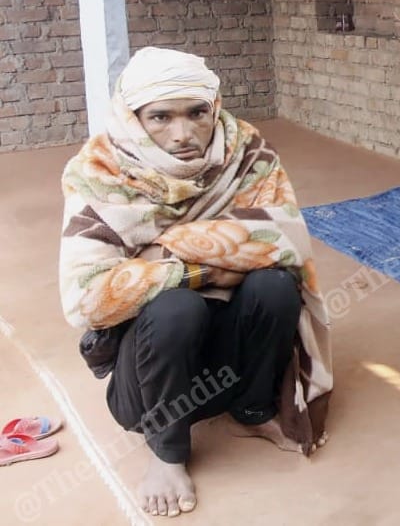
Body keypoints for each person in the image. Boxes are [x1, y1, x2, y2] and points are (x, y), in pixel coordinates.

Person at [59, 47, 332, 517]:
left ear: (215, 108)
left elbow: (285, 239)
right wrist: (208, 267)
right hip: (147, 384)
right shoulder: (99, 171)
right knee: (176, 307)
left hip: (227, 362)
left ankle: (252, 409)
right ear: (132, 118)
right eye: (160, 117)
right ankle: (167, 452)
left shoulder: (244, 151)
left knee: (274, 286)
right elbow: (88, 297)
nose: (183, 134)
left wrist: (159, 250)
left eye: (196, 113)